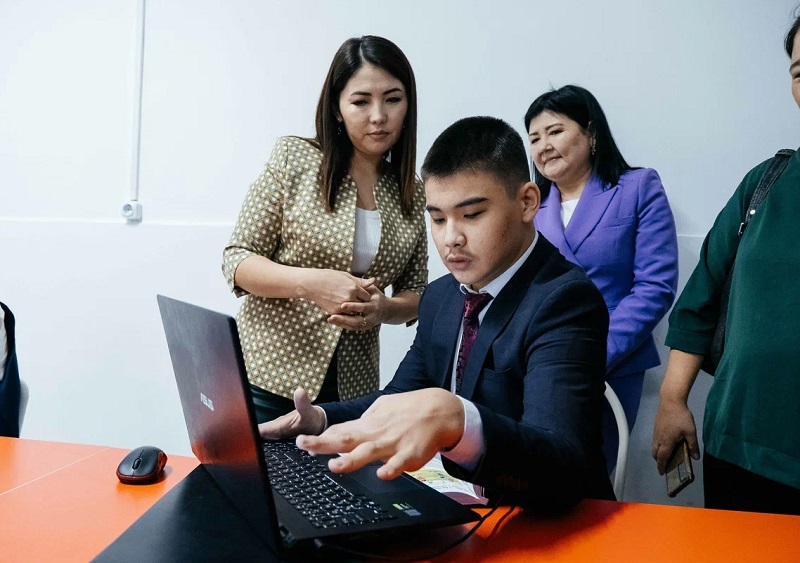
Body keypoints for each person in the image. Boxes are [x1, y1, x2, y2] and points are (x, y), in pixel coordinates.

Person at [261, 116, 615, 511]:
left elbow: (561, 466)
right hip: (467, 511)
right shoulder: (441, 296)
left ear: (527, 202)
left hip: (550, 520)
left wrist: (458, 420)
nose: (451, 238)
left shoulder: (565, 301)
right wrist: (321, 419)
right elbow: (398, 398)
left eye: (472, 215)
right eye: (438, 218)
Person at [222, 36, 427, 423]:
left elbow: (417, 292)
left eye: (393, 99)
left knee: (339, 467)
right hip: (267, 375)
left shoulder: (412, 191)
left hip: (352, 389)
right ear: (337, 108)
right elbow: (237, 260)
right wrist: (312, 283)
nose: (378, 116)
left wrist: (384, 309)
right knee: (256, 465)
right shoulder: (295, 159)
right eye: (361, 101)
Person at [652, 15, 800, 516]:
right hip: (739, 448)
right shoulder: (766, 182)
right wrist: (672, 400)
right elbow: (700, 298)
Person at [525, 85, 678, 471]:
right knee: (539, 474)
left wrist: (595, 353)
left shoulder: (638, 187)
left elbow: (655, 286)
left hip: (613, 361)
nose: (544, 146)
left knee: (594, 477)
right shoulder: (529, 207)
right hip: (541, 362)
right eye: (534, 138)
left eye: (555, 131)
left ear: (591, 133)